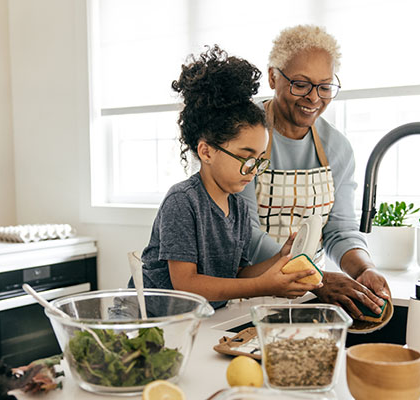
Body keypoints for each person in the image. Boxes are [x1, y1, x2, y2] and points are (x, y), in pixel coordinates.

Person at [135, 45, 322, 309]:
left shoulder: (238, 207)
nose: (254, 169)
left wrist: (281, 258)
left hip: (197, 321)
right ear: (206, 151)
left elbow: (236, 275)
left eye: (259, 160)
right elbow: (186, 284)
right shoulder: (182, 202)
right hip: (151, 322)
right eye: (246, 158)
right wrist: (264, 286)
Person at [239, 25, 391, 319]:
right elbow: (246, 234)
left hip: (306, 294)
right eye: (300, 84)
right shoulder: (244, 134)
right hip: (244, 292)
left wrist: (364, 268)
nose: (314, 98)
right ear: (273, 76)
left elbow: (339, 231)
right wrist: (315, 277)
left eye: (325, 86)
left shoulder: (337, 147)